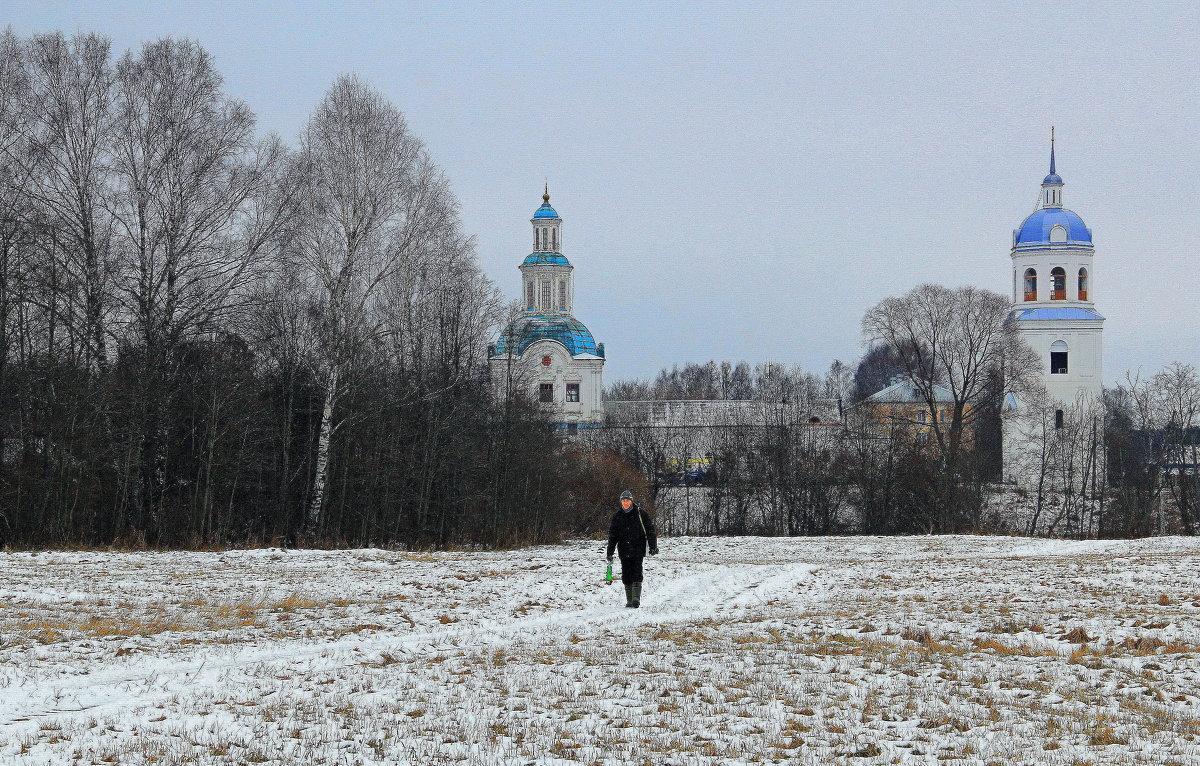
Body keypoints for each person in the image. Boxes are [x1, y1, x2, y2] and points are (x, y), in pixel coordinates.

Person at [606, 490, 658, 608]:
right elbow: (613, 536)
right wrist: (610, 552)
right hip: (623, 550)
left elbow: (650, 530)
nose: (626, 503)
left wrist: (653, 546)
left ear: (631, 501)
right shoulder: (617, 517)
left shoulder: (641, 514)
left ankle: (636, 599)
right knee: (626, 574)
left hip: (638, 549)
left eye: (628, 500)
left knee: (637, 572)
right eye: (623, 501)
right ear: (621, 502)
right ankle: (629, 600)